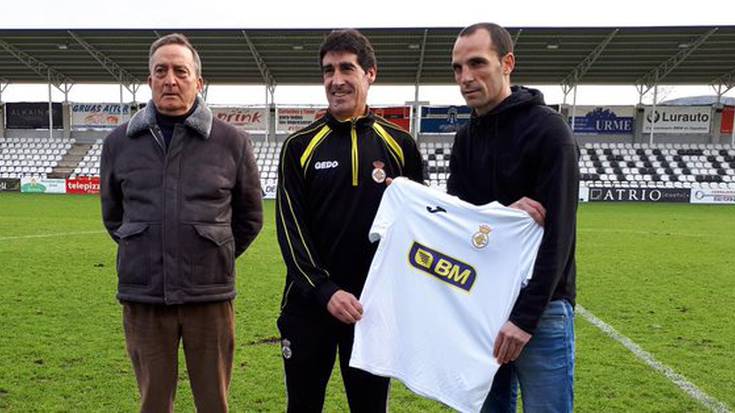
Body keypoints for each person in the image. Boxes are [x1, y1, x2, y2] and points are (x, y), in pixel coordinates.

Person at [100, 33, 263, 413]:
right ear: (150, 79)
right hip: (145, 297)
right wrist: (147, 249)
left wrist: (211, 251)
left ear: (198, 81)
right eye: (161, 71)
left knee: (213, 402)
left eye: (180, 71)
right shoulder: (118, 143)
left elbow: (250, 217)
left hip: (209, 297)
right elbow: (113, 217)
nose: (170, 79)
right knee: (153, 402)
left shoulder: (232, 141)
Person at [275, 29, 424, 412]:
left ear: (370, 73)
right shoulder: (299, 146)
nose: (336, 80)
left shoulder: (401, 144)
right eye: (328, 71)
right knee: (303, 407)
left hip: (372, 311)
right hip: (309, 308)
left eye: (346, 68)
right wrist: (324, 291)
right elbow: (291, 231)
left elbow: (422, 226)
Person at [448, 23, 579, 412]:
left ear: (507, 63)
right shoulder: (464, 140)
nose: (466, 78)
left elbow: (559, 237)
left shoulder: (549, 132)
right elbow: (460, 225)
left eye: (477, 63)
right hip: (483, 307)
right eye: (457, 68)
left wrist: (524, 318)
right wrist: (502, 214)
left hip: (542, 312)